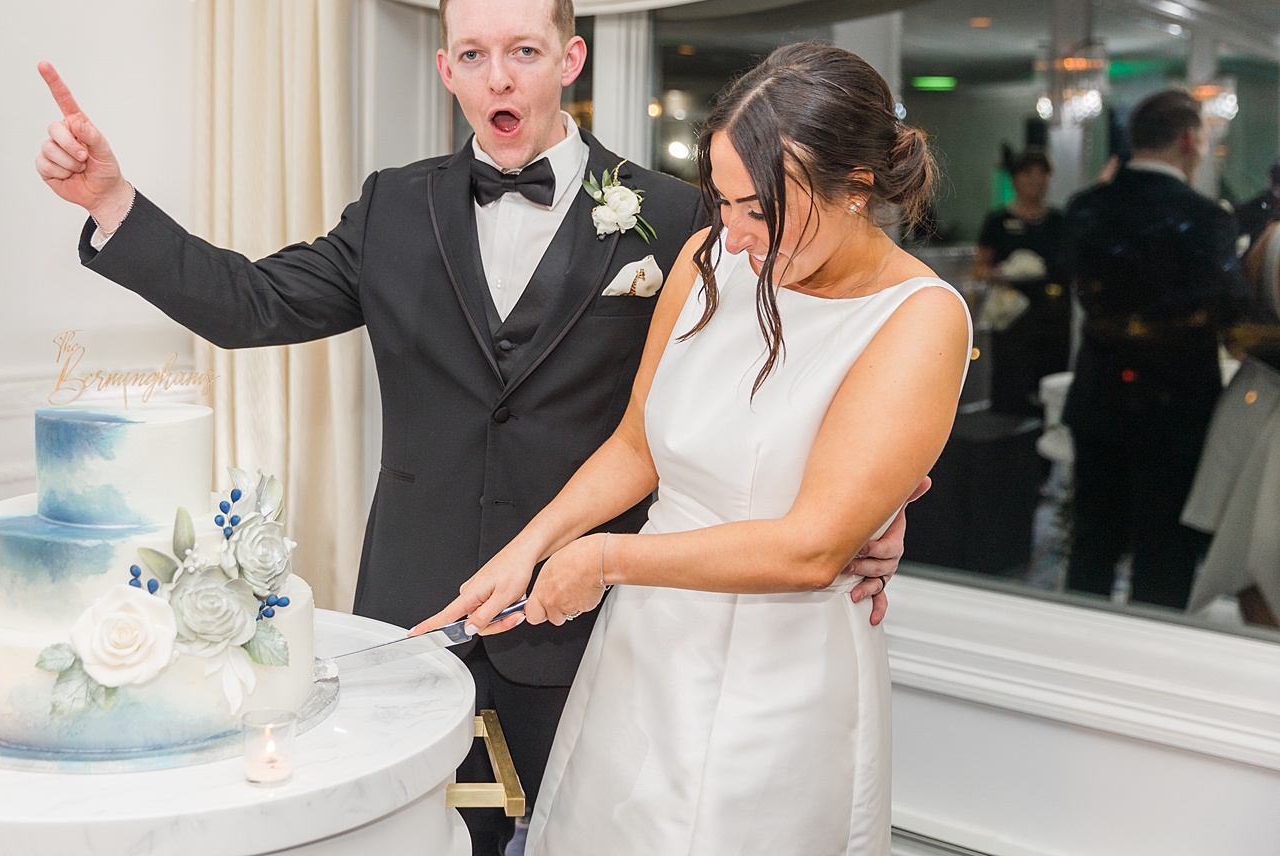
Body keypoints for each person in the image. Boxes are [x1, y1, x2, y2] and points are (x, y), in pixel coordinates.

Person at [32, 0, 908, 855]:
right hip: (417, 604)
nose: (502, 76)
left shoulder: (681, 214)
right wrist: (113, 202)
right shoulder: (392, 208)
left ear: (569, 61)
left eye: (525, 52)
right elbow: (252, 304)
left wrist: (875, 503)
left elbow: (780, 373)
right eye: (476, 54)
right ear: (447, 67)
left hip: (596, 616)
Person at [417, 43, 971, 855]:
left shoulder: (920, 317)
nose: (736, 235)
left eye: (762, 210)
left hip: (779, 675)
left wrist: (605, 561)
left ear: (855, 191)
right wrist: (529, 549)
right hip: (647, 644)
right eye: (725, 203)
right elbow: (639, 440)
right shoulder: (710, 258)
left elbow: (813, 547)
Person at [1062, 89, 1249, 609]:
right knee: (1164, 551)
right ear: (1190, 140)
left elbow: (1074, 285)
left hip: (1099, 395)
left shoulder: (1085, 208)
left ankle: (1076, 649)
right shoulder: (1206, 218)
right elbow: (1229, 308)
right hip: (1175, 408)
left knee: (1093, 542)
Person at [974, 148, 1071, 416]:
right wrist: (1005, 273)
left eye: (1043, 174)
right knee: (1010, 385)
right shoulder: (998, 220)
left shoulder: (1060, 221)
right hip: (1012, 316)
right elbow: (980, 268)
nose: (1036, 180)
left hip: (1052, 315)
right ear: (1015, 178)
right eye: (1028, 174)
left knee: (1051, 383)